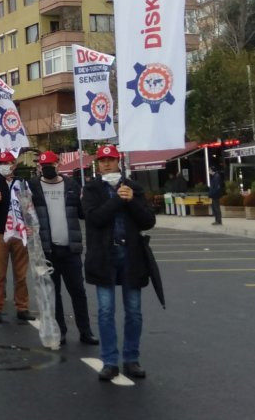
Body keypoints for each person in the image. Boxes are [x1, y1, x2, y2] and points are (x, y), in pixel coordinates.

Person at [82, 144, 157, 381]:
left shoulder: (133, 187)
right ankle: (110, 361)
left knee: (133, 311)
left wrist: (132, 200)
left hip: (131, 256)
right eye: (102, 160)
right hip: (105, 256)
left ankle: (131, 359)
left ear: (118, 161)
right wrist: (117, 200)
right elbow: (94, 218)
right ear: (98, 164)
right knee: (105, 311)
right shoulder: (92, 188)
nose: (106, 164)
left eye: (111, 160)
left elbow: (148, 221)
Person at [28, 151, 98, 346]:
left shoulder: (71, 185)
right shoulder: (33, 187)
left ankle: (86, 331)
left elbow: (84, 214)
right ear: (39, 167)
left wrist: (86, 199)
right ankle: (61, 330)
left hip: (70, 248)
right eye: (44, 166)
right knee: (54, 292)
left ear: (58, 164)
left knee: (78, 291)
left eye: (51, 164)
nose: (47, 168)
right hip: (47, 250)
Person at [0, 151, 33, 323]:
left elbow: (29, 207)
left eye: (8, 162)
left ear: (14, 164)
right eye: (1, 162)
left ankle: (22, 307)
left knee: (21, 274)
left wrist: (30, 225)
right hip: (0, 233)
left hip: (20, 233)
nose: (4, 165)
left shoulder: (22, 183)